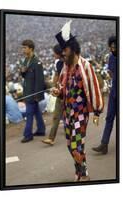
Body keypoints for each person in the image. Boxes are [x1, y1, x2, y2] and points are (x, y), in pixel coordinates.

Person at [52, 21, 104, 181]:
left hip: (80, 114)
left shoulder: (85, 66)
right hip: (67, 113)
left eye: (65, 50)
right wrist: (58, 91)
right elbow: (62, 87)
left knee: (76, 146)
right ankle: (80, 172)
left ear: (73, 49)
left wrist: (96, 111)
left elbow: (94, 87)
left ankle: (84, 175)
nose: (63, 54)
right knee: (71, 145)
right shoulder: (65, 67)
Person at [92, 36, 117, 154]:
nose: (113, 49)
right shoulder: (111, 58)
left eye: (115, 47)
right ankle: (104, 144)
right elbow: (111, 73)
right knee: (109, 118)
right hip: (114, 93)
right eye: (111, 47)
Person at [20, 40, 46, 143]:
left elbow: (39, 80)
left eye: (25, 48)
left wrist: (37, 95)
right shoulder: (25, 60)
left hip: (33, 93)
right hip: (27, 91)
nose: (23, 50)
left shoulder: (37, 62)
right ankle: (41, 130)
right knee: (36, 112)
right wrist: (22, 72)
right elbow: (25, 76)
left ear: (31, 48)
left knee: (29, 113)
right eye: (22, 48)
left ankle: (28, 135)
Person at [42, 44, 64, 145]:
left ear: (59, 53)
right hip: (60, 92)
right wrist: (54, 86)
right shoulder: (58, 63)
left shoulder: (69, 62)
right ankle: (51, 138)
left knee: (70, 116)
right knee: (56, 115)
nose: (53, 54)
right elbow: (56, 75)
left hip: (70, 93)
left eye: (54, 52)